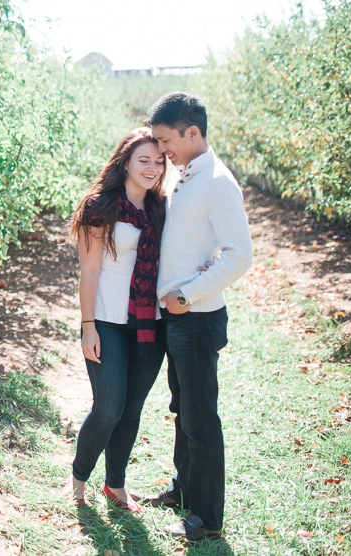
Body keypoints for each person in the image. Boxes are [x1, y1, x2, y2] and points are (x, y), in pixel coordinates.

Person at [143, 92, 253, 541]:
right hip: (177, 318)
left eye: (166, 140)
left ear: (193, 132)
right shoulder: (187, 175)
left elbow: (240, 256)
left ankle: (206, 518)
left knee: (200, 416)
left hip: (196, 317)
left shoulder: (218, 182)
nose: (161, 150)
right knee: (181, 408)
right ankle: (184, 489)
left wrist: (185, 296)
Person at [63, 127, 168, 512]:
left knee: (132, 409)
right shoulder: (100, 206)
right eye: (144, 160)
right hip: (106, 321)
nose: (153, 168)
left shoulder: (159, 208)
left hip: (148, 323)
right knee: (108, 408)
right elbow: (89, 272)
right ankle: (78, 476)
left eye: (159, 161)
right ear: (125, 160)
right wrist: (87, 325)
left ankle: (116, 485)